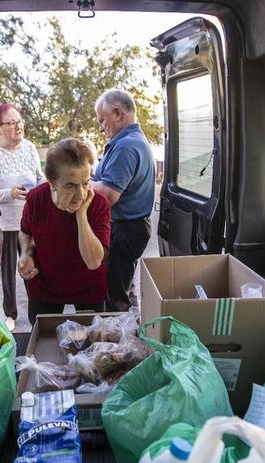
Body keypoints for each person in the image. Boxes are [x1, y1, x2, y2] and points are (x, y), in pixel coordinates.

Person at [18, 138, 111, 324]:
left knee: (92, 342)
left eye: (86, 183)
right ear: (52, 182)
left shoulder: (99, 204)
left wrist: (81, 215)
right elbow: (25, 232)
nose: (81, 194)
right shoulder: (36, 199)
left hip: (88, 286)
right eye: (70, 185)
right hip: (45, 284)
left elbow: (93, 262)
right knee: (44, 339)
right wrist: (26, 254)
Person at [92, 89, 156, 312]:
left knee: (115, 297)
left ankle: (119, 342)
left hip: (125, 230)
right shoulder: (131, 141)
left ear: (117, 113)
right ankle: (130, 331)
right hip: (130, 229)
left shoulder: (126, 146)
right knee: (124, 289)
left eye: (102, 120)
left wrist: (79, 183)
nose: (100, 128)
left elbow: (108, 195)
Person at [0, 103, 44, 330]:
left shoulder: (30, 147)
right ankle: (9, 313)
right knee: (8, 269)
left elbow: (41, 178)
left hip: (29, 220)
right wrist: (8, 193)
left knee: (33, 266)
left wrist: (38, 191)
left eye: (19, 121)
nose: (17, 127)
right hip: (4, 220)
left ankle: (38, 312)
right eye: (10, 123)